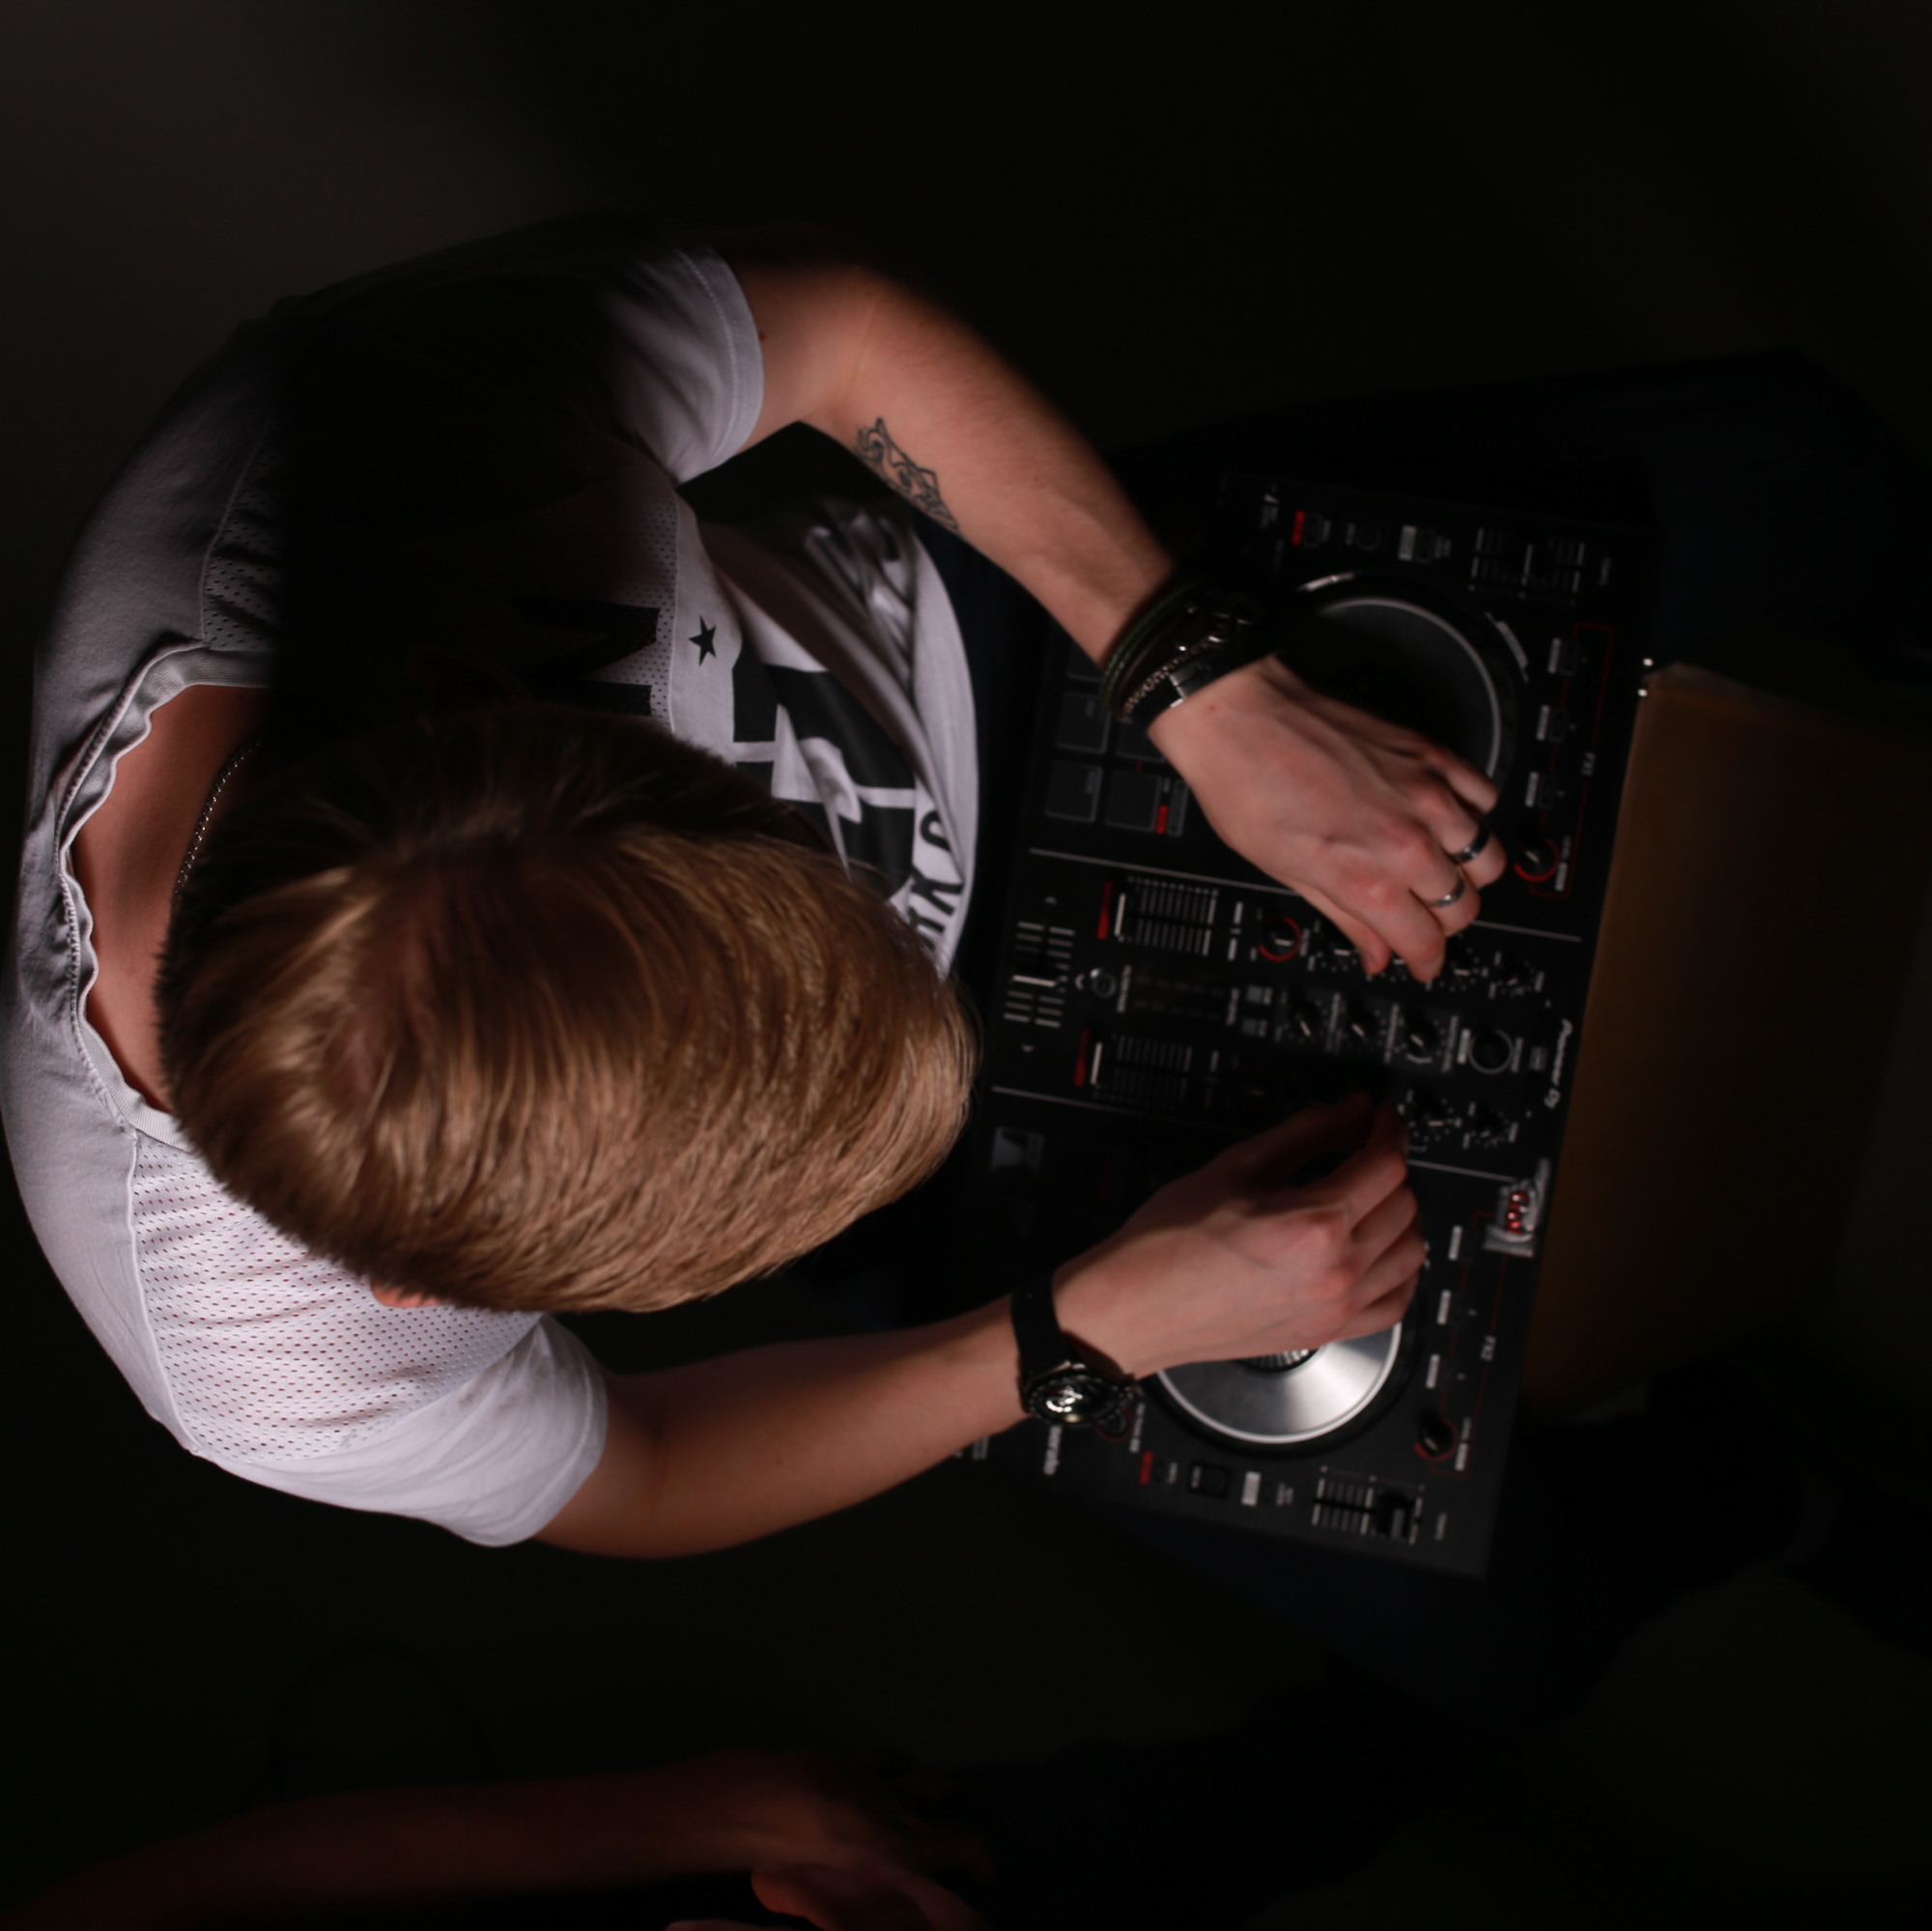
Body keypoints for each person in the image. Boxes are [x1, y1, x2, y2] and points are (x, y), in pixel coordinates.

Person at [2, 212, 1500, 1552]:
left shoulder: (381, 417)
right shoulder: (251, 1351)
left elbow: (842, 333)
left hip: (990, 652)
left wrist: (1193, 676)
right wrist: (1084, 1332)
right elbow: (641, 1471)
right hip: (971, 1223)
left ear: (474, 697)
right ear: (415, 1291)